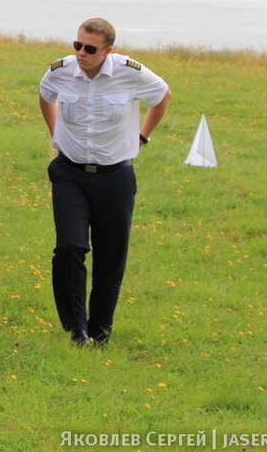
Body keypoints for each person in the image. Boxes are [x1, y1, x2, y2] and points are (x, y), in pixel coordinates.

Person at [38, 18, 171, 346]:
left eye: (90, 48)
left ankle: (99, 332)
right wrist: (56, 134)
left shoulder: (130, 72)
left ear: (107, 51)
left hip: (115, 178)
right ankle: (76, 331)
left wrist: (142, 137)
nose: (81, 53)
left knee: (111, 257)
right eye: (77, 45)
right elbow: (45, 96)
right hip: (70, 173)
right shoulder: (61, 71)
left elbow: (163, 96)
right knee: (70, 247)